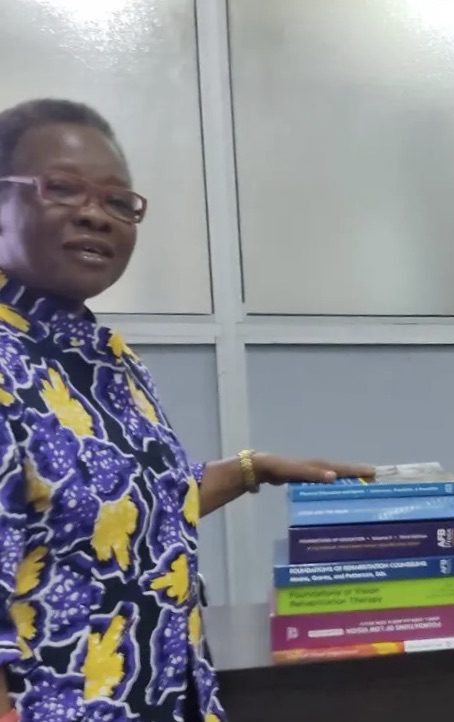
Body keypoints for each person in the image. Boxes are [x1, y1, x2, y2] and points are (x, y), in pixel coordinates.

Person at [0, 98, 375, 721]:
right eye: (62, 189)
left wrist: (253, 470)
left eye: (120, 202)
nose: (96, 215)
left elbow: (127, 517)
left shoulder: (105, 357)